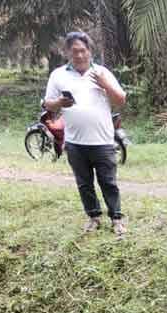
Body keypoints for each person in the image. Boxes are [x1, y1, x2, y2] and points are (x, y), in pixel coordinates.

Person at [44, 31, 127, 236]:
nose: (79, 55)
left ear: (90, 51)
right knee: (84, 183)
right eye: (74, 52)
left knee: (108, 182)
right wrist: (59, 103)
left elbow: (121, 100)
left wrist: (104, 84)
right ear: (67, 53)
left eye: (83, 51)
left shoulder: (102, 72)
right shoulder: (58, 75)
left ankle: (116, 219)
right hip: (75, 142)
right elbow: (48, 103)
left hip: (103, 140)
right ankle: (93, 217)